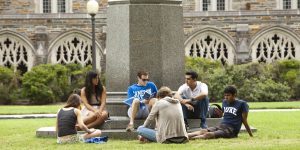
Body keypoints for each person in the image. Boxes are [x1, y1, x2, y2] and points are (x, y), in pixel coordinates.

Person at [188, 85, 253, 139]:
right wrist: (219, 113)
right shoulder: (224, 102)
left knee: (209, 135)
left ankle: (189, 139)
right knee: (203, 131)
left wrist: (250, 135)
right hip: (222, 126)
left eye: (228, 95)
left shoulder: (242, 104)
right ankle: (185, 136)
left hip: (231, 130)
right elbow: (223, 114)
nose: (226, 97)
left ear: (234, 95)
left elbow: (244, 120)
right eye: (225, 95)